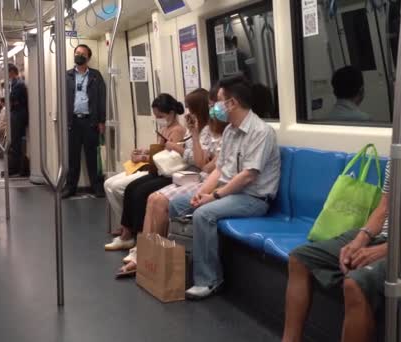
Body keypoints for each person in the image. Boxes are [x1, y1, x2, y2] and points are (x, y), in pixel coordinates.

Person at [281, 69, 401, 342]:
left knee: (355, 283)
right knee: (300, 258)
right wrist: (362, 238)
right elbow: (385, 204)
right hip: (389, 236)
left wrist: (384, 250)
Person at [169, 76, 281, 299]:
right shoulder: (230, 131)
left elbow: (248, 175)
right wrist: (202, 193)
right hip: (230, 192)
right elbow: (219, 170)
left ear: (232, 103)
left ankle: (209, 280)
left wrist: (214, 196)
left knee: (204, 214)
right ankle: (179, 269)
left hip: (253, 199)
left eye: (219, 101)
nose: (215, 107)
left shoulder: (261, 132)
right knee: (177, 205)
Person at [118, 87, 229, 276]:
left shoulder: (224, 133)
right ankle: (143, 253)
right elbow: (205, 162)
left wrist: (201, 157)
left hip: (199, 177)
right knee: (152, 198)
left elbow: (204, 165)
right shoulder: (205, 132)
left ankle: (150, 259)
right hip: (197, 175)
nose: (187, 114)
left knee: (158, 200)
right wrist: (194, 138)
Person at [105, 94, 186, 251]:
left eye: (160, 116)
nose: (158, 119)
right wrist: (143, 152)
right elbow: (159, 150)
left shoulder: (178, 131)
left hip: (167, 172)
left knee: (140, 193)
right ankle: (127, 234)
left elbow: (170, 158)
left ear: (171, 113)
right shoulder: (164, 128)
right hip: (157, 169)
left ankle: (137, 235)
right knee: (130, 189)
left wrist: (144, 157)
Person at [63, 44, 107, 198]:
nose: (79, 55)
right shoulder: (67, 75)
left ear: (88, 57)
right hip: (73, 122)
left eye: (82, 53)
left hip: (91, 122)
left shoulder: (96, 75)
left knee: (93, 157)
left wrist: (102, 121)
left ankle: (97, 187)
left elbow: (102, 99)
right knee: (72, 156)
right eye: (77, 53)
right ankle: (70, 188)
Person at [6, 63, 29, 176]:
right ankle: (15, 167)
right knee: (15, 142)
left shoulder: (18, 84)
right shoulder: (15, 83)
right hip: (17, 113)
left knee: (16, 142)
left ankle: (16, 169)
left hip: (19, 115)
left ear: (12, 72)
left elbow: (12, 98)